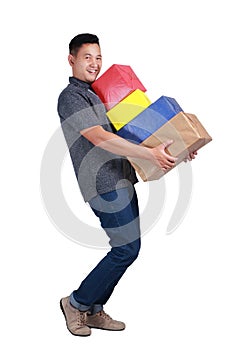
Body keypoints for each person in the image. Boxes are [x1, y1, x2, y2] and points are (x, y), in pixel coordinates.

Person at [57, 33, 197, 337]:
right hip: (102, 182)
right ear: (72, 60)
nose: (94, 64)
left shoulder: (101, 93)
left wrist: (180, 147)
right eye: (87, 57)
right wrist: (149, 154)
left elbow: (134, 131)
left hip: (122, 178)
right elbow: (98, 137)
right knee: (126, 249)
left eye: (98, 57)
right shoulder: (71, 97)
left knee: (126, 248)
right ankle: (76, 302)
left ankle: (93, 310)